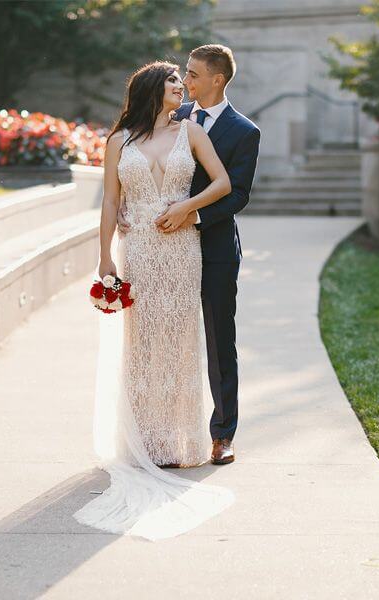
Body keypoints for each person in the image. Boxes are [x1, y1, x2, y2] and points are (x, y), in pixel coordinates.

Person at [73, 58, 236, 540]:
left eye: (181, 80)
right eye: (171, 81)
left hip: (183, 250)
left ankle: (178, 440)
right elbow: (108, 201)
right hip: (139, 250)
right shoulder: (119, 141)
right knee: (142, 342)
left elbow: (223, 183)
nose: (180, 87)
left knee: (180, 339)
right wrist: (104, 256)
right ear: (150, 90)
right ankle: (142, 440)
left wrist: (188, 206)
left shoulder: (192, 133)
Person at [119, 44, 261, 466]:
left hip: (213, 246)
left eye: (194, 74)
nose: (186, 80)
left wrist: (190, 215)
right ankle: (158, 433)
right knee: (158, 339)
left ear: (217, 80)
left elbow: (237, 193)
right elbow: (139, 160)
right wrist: (131, 205)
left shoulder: (244, 131)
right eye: (183, 74)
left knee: (220, 342)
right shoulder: (172, 116)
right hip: (159, 250)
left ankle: (222, 435)